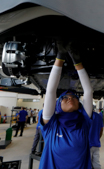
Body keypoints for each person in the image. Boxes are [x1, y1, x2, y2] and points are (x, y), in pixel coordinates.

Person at [39, 41, 93, 169]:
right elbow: (51, 91)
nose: (70, 99)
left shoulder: (84, 122)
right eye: (65, 98)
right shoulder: (51, 125)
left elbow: (88, 91)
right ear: (57, 105)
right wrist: (60, 56)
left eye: (74, 97)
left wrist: (78, 62)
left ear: (79, 104)